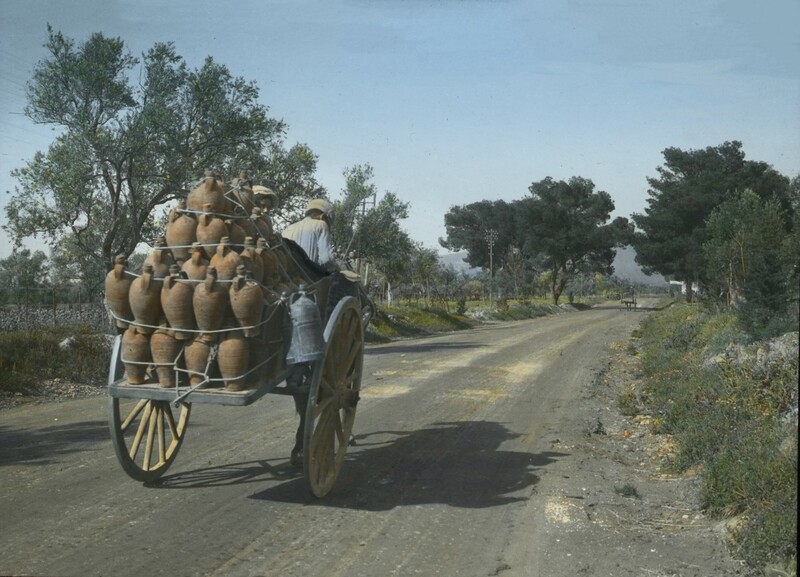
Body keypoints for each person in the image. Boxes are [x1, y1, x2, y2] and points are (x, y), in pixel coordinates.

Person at [281, 198, 338, 273]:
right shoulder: (321, 225)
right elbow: (326, 259)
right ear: (323, 216)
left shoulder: (288, 228)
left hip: (289, 277)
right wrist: (336, 267)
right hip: (310, 277)